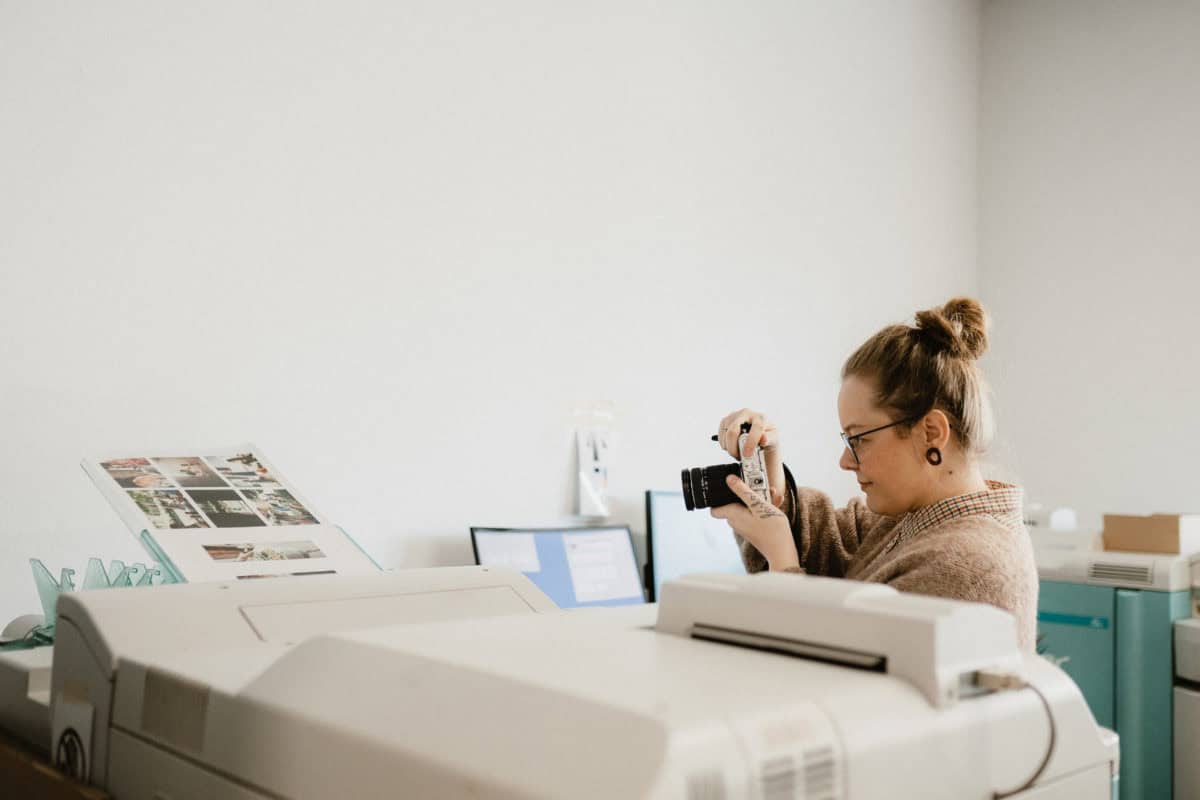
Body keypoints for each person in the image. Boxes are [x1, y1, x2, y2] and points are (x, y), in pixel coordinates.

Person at [711, 297, 1038, 650]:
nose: (845, 461)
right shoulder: (918, 519)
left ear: (931, 432)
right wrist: (769, 476)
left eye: (860, 439)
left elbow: (835, 678)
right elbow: (830, 543)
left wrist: (781, 559)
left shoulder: (969, 569)